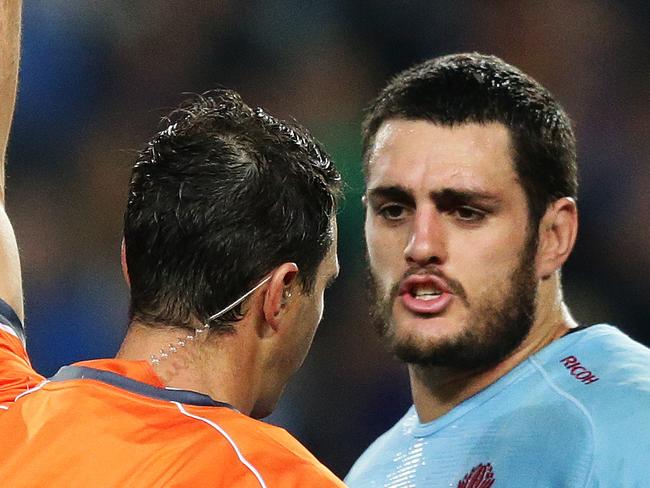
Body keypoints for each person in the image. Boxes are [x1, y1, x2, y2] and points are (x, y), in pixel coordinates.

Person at [0, 3, 345, 485]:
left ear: (129, 263)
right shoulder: (274, 477)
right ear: (281, 294)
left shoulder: (9, 411)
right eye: (324, 284)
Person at [345, 52, 650, 487]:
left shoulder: (629, 420)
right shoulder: (372, 472)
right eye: (394, 210)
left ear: (553, 236)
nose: (421, 245)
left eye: (466, 212)